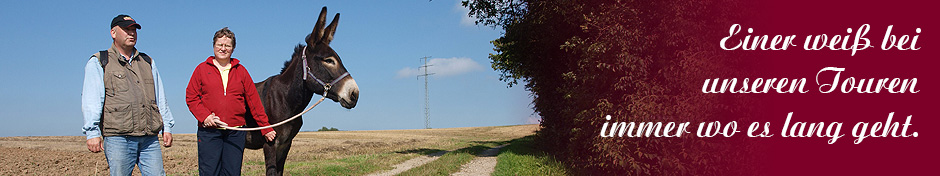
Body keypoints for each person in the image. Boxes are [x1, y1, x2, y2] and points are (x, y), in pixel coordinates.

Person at [81, 14, 175, 176]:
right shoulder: (100, 61)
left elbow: (160, 97)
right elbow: (92, 100)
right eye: (126, 30)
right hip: (118, 137)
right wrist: (92, 132)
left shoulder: (147, 62)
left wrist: (167, 126)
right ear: (113, 32)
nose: (131, 33)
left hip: (149, 137)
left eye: (134, 30)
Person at [186, 27, 277, 176]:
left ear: (233, 48)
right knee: (209, 172)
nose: (223, 49)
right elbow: (191, 97)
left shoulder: (241, 71)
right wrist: (205, 117)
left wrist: (265, 128)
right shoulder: (201, 69)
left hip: (235, 132)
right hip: (209, 132)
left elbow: (254, 102)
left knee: (232, 173)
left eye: (227, 45)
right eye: (220, 45)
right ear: (213, 46)